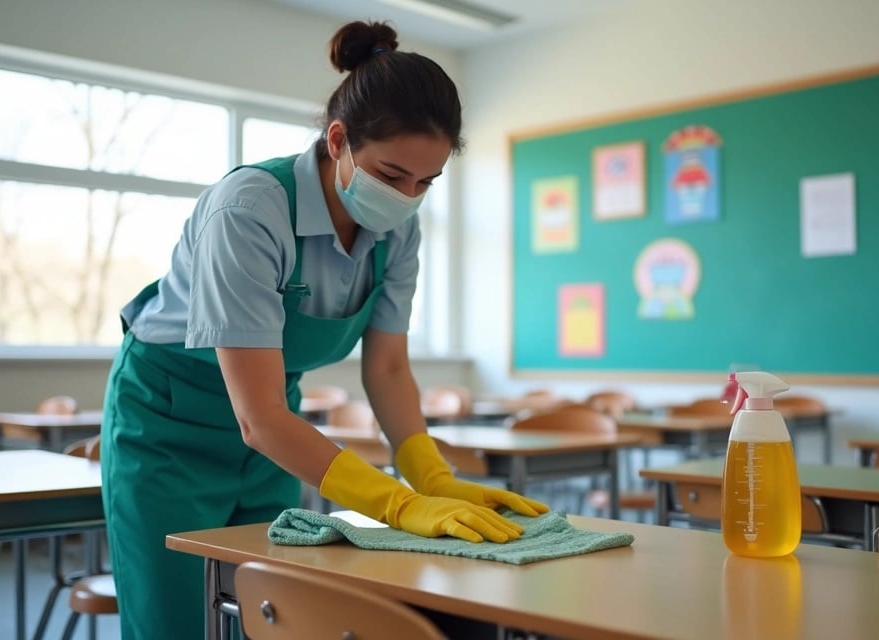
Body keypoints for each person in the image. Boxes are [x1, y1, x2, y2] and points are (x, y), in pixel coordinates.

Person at [99, 20, 548, 639]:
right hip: (168, 423)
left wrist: (432, 476)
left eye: (426, 183)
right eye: (392, 176)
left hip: (276, 425)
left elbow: (387, 368)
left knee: (273, 610)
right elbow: (255, 417)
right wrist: (398, 504)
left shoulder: (400, 230)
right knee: (174, 621)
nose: (408, 197)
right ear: (338, 140)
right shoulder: (250, 209)